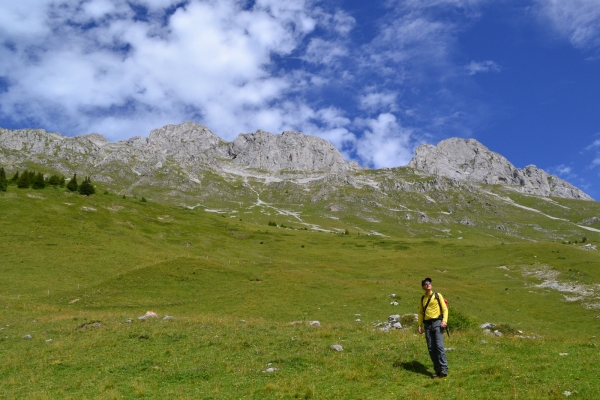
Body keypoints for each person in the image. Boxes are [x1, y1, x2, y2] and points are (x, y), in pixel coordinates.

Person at [417, 277, 448, 378]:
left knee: (439, 346)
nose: (428, 284)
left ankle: (444, 369)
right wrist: (419, 325)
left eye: (429, 283)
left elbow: (445, 310)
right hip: (427, 325)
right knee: (431, 348)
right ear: (423, 287)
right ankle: (437, 370)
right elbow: (420, 313)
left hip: (437, 322)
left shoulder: (437, 295)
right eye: (426, 283)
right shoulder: (423, 299)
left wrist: (444, 321)